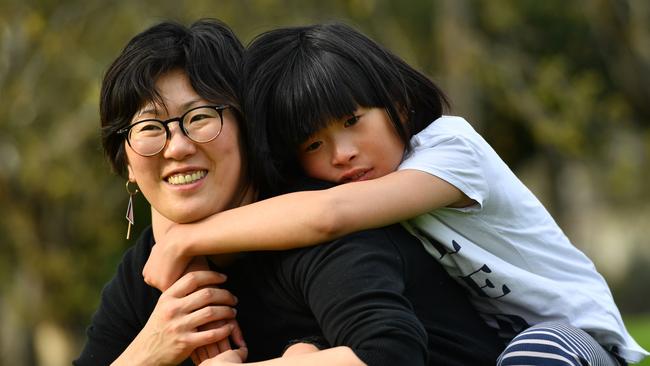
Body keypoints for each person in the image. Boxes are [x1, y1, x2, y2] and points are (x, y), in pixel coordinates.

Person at [143, 23, 649, 365]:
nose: (342, 154)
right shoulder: (354, 186)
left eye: (352, 121)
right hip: (494, 345)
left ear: (399, 105)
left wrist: (183, 241)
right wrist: (172, 224)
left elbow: (328, 216)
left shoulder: (451, 150)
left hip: (574, 339)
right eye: (313, 144)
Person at [74, 19, 505, 366]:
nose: (179, 146)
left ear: (248, 129)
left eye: (200, 117)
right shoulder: (146, 275)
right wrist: (148, 352)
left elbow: (390, 353)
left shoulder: (307, 227)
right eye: (149, 128)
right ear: (127, 161)